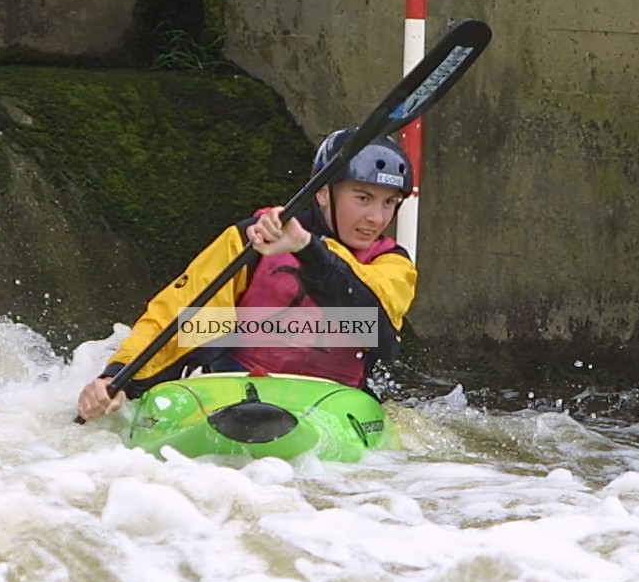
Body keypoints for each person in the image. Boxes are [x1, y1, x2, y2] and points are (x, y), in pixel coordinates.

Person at [77, 127, 418, 420]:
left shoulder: (391, 264)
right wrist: (118, 378)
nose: (376, 217)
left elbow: (377, 330)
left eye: (389, 203)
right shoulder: (248, 240)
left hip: (335, 401)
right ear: (323, 191)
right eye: (363, 198)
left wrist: (306, 247)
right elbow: (180, 316)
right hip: (235, 389)